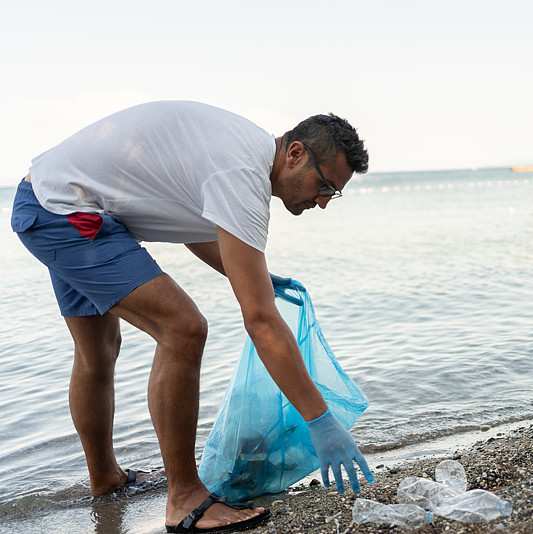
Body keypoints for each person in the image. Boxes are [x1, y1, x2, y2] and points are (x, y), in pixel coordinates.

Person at [10, 101, 374, 533]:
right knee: (183, 328)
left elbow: (195, 230)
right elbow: (260, 320)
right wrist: (320, 419)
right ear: (295, 153)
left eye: (334, 193)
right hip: (66, 213)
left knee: (98, 351)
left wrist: (254, 277)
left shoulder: (242, 151)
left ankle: (106, 480)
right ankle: (185, 498)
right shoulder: (242, 174)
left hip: (55, 197)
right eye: (325, 185)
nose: (323, 201)